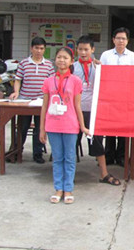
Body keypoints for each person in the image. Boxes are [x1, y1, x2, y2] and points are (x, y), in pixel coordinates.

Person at [40, 47, 88, 204]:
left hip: (70, 125)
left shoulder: (75, 81)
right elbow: (44, 107)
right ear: (55, 60)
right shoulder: (48, 81)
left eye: (65, 58)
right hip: (52, 125)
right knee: (57, 158)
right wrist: (42, 128)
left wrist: (82, 126)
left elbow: (77, 106)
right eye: (59, 57)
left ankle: (68, 189)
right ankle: (58, 189)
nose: (62, 60)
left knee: (69, 158)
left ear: (71, 61)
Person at [73, 36, 120, 186]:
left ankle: (104, 173)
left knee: (98, 142)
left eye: (86, 49)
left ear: (93, 50)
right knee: (72, 142)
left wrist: (102, 70)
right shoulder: (72, 67)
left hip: (94, 111)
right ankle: (69, 174)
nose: (83, 52)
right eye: (80, 49)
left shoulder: (98, 67)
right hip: (75, 110)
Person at [8, 37, 54, 164]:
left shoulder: (49, 65)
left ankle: (37, 154)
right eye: (36, 48)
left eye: (41, 48)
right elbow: (18, 79)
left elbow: (51, 83)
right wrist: (16, 92)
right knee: (22, 127)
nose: (39, 51)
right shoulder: (23, 63)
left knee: (39, 129)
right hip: (25, 101)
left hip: (41, 102)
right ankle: (16, 152)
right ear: (31, 48)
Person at [100, 27, 134, 167]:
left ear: (127, 41)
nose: (121, 41)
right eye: (118, 38)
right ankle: (109, 155)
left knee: (123, 128)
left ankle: (122, 156)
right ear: (113, 40)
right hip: (109, 97)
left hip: (126, 97)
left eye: (123, 38)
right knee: (109, 128)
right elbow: (101, 75)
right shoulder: (106, 55)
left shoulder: (133, 56)